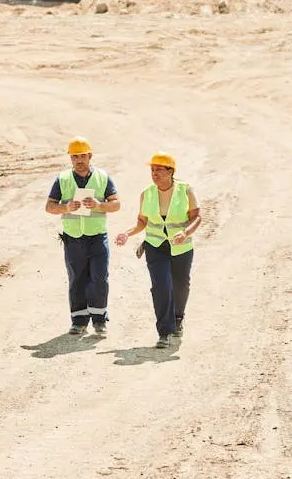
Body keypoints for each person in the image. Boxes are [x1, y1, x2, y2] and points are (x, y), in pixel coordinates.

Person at [115, 152, 201, 349]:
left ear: (171, 171)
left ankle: (178, 318)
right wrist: (127, 233)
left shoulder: (185, 191)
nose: (154, 174)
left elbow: (197, 217)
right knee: (161, 286)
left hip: (181, 246)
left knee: (180, 285)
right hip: (155, 246)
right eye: (152, 170)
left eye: (159, 170)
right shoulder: (147, 193)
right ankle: (164, 331)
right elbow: (142, 221)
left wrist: (185, 233)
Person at [45, 136, 120, 336]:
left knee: (99, 277)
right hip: (73, 238)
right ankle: (78, 321)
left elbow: (116, 204)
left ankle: (99, 319)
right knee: (77, 279)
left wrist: (99, 205)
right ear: (70, 158)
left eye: (82, 156)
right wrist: (66, 207)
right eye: (74, 156)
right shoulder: (62, 179)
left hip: (97, 236)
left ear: (90, 156)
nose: (79, 160)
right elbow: (49, 206)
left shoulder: (103, 177)